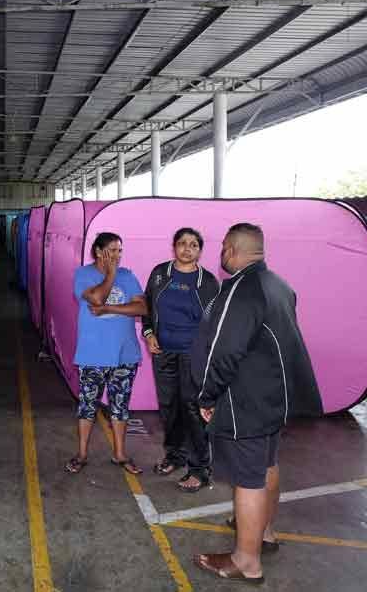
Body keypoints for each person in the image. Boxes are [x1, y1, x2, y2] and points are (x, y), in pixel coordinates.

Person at [191, 224, 322, 584]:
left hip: (244, 400)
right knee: (267, 465)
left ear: (231, 249)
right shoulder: (279, 285)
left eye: (221, 247)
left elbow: (224, 350)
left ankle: (246, 561)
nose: (220, 252)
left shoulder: (241, 288)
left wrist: (208, 394)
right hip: (273, 397)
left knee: (247, 479)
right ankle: (265, 533)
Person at [142, 228, 220, 492]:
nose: (187, 249)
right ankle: (175, 456)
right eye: (182, 244)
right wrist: (149, 332)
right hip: (163, 353)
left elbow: (214, 323)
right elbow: (147, 307)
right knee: (169, 407)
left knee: (192, 408)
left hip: (192, 355)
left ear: (200, 250)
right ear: (173, 247)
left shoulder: (208, 281)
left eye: (194, 245)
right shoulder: (159, 274)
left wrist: (208, 355)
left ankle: (200, 467)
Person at [66, 232, 147, 476]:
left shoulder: (128, 275)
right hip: (92, 355)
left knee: (120, 407)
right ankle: (81, 454)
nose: (117, 255)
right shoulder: (83, 275)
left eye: (120, 250)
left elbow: (142, 307)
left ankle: (120, 454)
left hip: (124, 355)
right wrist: (110, 275)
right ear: (98, 252)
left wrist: (110, 308)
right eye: (112, 250)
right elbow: (96, 297)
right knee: (87, 406)